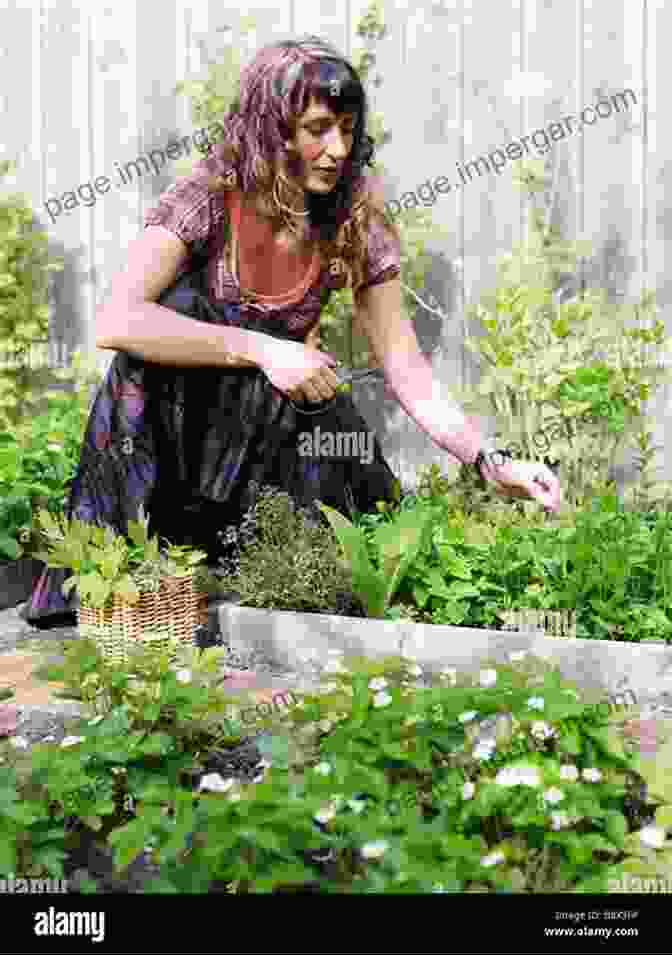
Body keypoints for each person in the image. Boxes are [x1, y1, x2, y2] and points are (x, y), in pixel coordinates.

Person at [21, 34, 561, 630]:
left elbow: (405, 365)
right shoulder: (208, 197)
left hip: (268, 440)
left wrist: (490, 459)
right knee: (155, 346)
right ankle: (132, 583)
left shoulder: (353, 214)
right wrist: (264, 349)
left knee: (340, 536)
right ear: (273, 129)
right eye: (318, 128)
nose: (337, 149)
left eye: (348, 130)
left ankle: (268, 592)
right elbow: (118, 320)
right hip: (175, 431)